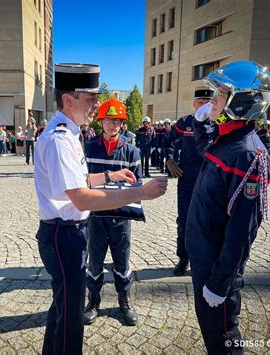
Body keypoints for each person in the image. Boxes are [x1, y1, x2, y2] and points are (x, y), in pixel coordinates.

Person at [34, 63, 168, 354]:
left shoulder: (68, 134)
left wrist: (111, 176)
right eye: (91, 99)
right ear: (69, 100)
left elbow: (78, 180)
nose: (96, 106)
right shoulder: (60, 139)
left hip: (65, 233)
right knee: (70, 320)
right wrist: (139, 191)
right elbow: (81, 198)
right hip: (64, 234)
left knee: (61, 309)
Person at [187, 61, 270, 354]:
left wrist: (220, 283)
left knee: (224, 339)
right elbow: (204, 149)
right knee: (212, 337)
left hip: (216, 268)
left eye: (220, 94)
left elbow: (241, 231)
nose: (212, 100)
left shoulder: (249, 154)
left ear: (242, 101)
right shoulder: (228, 140)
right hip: (203, 257)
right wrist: (201, 123)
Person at [83, 97, 142, 326]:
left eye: (117, 121)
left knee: (122, 262)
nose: (112, 125)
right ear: (101, 122)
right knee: (95, 262)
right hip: (95, 217)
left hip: (121, 218)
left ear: (122, 123)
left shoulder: (132, 152)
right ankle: (93, 300)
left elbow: (138, 186)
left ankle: (124, 300)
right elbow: (81, 182)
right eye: (108, 120)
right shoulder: (88, 149)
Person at [165, 87, 215, 276]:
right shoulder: (184, 123)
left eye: (207, 103)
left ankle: (204, 260)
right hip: (187, 181)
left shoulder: (219, 124)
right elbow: (167, 141)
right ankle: (183, 258)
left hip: (211, 182)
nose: (203, 107)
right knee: (184, 221)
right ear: (194, 104)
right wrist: (170, 160)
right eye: (200, 103)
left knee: (208, 221)